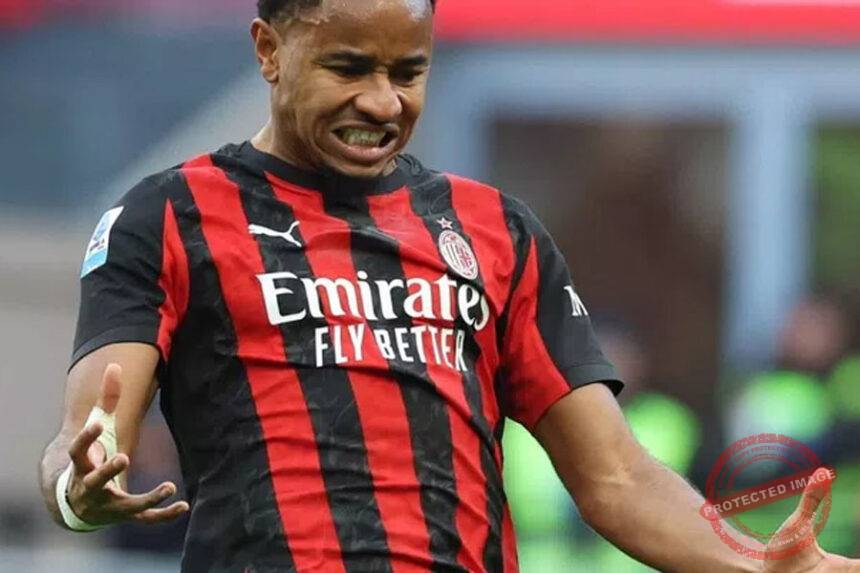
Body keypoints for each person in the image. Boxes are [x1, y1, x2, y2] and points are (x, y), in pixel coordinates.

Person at [37, 1, 859, 571]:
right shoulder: (166, 216)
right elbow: (87, 435)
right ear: (269, 50)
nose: (382, 101)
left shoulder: (495, 230)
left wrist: (753, 563)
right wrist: (79, 492)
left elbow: (616, 476)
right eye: (348, 67)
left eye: (409, 71)